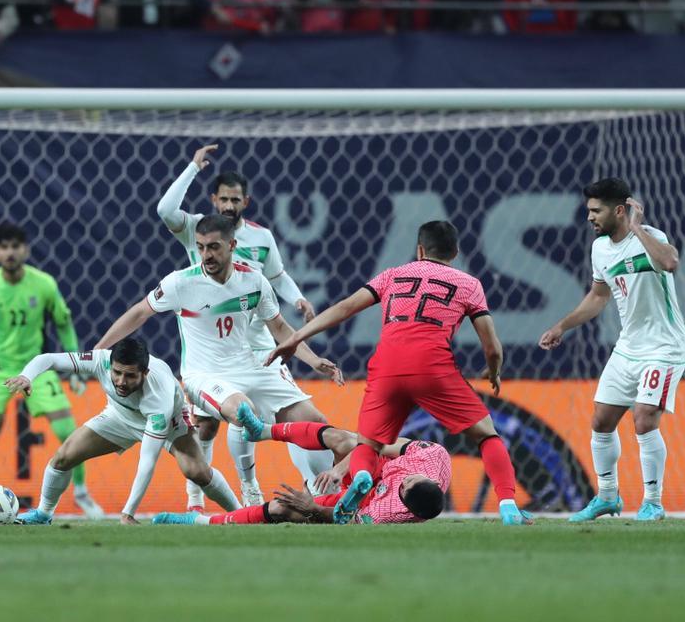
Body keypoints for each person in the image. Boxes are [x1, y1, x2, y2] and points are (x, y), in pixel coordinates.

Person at [269, 220, 532, 525]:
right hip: (433, 367)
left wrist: (296, 337)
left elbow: (345, 308)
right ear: (456, 252)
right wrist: (494, 370)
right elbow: (492, 347)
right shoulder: (469, 284)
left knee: (369, 444)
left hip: (388, 366)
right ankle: (508, 506)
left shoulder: (393, 274)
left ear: (420, 250)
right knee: (486, 435)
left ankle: (362, 476)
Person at [94, 214, 343, 503]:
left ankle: (325, 501)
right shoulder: (180, 283)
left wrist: (313, 360)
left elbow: (279, 327)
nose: (206, 255)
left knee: (318, 424)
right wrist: (101, 348)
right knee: (243, 411)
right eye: (200, 247)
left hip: (248, 367)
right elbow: (139, 312)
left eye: (213, 247)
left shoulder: (254, 281)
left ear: (232, 245)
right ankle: (249, 486)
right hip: (203, 375)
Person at [156, 145, 320, 511]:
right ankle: (195, 496)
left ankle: (259, 487)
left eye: (235, 200)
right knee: (207, 425)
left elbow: (278, 276)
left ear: (246, 201)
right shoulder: (198, 230)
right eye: (223, 199)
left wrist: (297, 299)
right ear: (213, 200)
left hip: (258, 343)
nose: (229, 206)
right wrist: (192, 168)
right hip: (213, 345)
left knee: (277, 412)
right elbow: (165, 210)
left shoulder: (261, 238)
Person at [539, 179, 685, 522]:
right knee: (601, 421)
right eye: (589, 210)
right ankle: (607, 497)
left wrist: (637, 229)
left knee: (644, 417)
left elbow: (670, 262)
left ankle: (653, 502)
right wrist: (562, 326)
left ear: (619, 210)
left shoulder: (651, 237)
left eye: (596, 210)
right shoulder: (600, 249)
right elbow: (599, 296)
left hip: (663, 347)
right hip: (628, 347)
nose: (590, 217)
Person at [0, 222, 104, 518]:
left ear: (26, 250)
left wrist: (76, 368)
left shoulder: (44, 285)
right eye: (4, 247)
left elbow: (64, 323)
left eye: (15, 246)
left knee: (68, 432)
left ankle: (81, 493)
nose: (10, 253)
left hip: (37, 369)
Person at [7, 338, 242, 525]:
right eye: (117, 373)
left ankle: (240, 514)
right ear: (110, 364)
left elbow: (147, 460)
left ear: (145, 373)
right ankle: (43, 514)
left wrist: (128, 512)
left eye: (130, 376)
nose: (120, 381)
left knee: (196, 471)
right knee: (63, 457)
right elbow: (48, 359)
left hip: (171, 422)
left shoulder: (157, 398)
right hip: (120, 417)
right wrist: (27, 376)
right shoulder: (100, 360)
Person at [155, 419, 449, 525]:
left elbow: (346, 521)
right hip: (373, 466)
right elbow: (378, 444)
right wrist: (341, 468)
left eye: (404, 486)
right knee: (345, 439)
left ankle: (200, 521)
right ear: (428, 478)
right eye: (412, 477)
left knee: (281, 508)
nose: (405, 479)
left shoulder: (388, 513)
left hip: (359, 502)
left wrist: (312, 509)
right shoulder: (433, 457)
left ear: (404, 501)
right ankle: (262, 430)